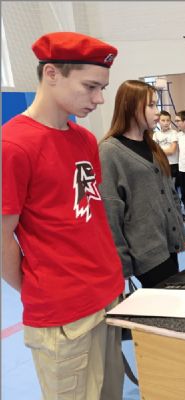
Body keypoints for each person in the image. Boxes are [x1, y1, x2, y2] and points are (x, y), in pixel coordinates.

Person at [2, 32, 124, 399]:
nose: (99, 99)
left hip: (108, 296)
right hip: (64, 314)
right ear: (52, 74)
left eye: (102, 88)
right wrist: (42, 287)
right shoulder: (13, 145)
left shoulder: (83, 139)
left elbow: (87, 215)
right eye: (90, 87)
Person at [99, 80, 185, 289]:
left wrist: (179, 233)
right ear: (130, 106)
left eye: (156, 104)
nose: (157, 112)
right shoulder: (109, 152)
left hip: (167, 244)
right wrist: (122, 262)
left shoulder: (152, 146)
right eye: (151, 105)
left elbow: (170, 193)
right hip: (144, 252)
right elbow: (109, 211)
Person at [153, 110, 181, 192]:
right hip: (161, 163)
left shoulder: (174, 133)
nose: (166, 123)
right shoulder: (156, 135)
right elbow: (153, 151)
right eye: (163, 120)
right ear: (159, 121)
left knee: (173, 189)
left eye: (168, 120)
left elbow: (172, 150)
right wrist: (158, 151)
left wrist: (158, 151)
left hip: (173, 164)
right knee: (163, 188)